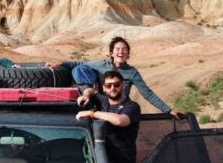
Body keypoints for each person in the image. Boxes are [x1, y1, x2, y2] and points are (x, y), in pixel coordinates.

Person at [51, 36, 183, 119]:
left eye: (124, 49)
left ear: (128, 54)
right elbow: (79, 64)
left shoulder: (132, 72)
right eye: (118, 49)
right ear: (111, 53)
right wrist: (61, 63)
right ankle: (87, 91)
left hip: (119, 105)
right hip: (100, 101)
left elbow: (147, 93)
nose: (121, 51)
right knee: (79, 69)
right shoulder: (101, 64)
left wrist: (168, 110)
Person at [74, 70, 142, 163]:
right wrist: (86, 95)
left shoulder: (132, 106)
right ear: (104, 88)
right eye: (109, 85)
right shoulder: (103, 101)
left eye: (116, 84)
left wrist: (92, 113)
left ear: (123, 86)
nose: (113, 88)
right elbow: (91, 90)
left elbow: (120, 120)